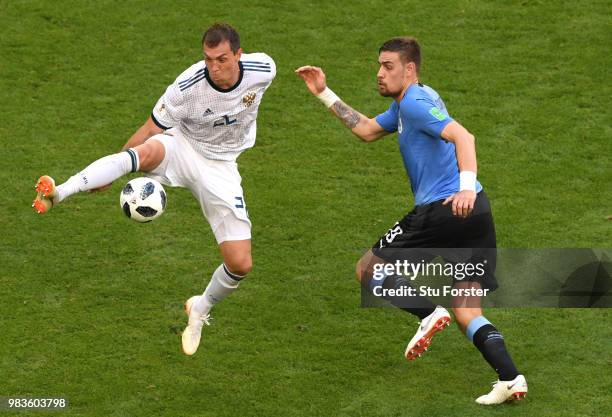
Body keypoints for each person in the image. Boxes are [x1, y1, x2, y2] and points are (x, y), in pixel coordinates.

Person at [296, 37, 527, 405]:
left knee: (368, 271)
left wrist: (464, 187)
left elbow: (463, 136)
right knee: (468, 310)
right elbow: (368, 130)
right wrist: (324, 93)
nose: (379, 73)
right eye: (379, 65)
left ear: (410, 69)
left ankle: (427, 312)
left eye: (388, 66)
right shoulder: (409, 104)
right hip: (476, 213)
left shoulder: (415, 103)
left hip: (444, 210)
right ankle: (511, 378)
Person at [32, 23, 276, 356]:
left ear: (238, 55)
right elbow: (149, 128)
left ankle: (201, 308)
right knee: (142, 154)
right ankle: (60, 191)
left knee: (240, 264)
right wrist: (113, 171)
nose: (214, 68)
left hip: (221, 167)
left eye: (221, 59)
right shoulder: (187, 87)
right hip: (182, 144)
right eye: (208, 60)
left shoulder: (263, 69)